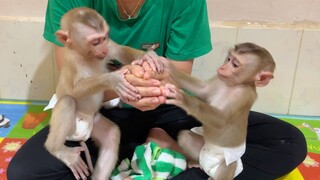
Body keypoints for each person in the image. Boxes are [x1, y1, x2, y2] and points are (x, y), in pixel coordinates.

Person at [7, 0, 306, 180]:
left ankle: (169, 151)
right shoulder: (73, 17)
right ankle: (164, 154)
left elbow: (176, 75)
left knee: (287, 142)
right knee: (26, 172)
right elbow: (72, 89)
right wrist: (122, 86)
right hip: (101, 112)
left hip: (166, 107)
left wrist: (148, 77)